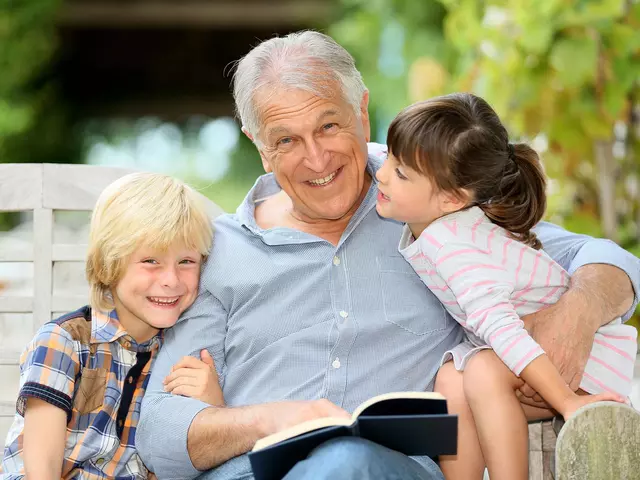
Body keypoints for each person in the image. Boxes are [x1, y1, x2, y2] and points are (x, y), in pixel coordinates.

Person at [135, 31, 640, 480]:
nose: (316, 158)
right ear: (259, 146)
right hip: (252, 469)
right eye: (286, 140)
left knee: (346, 463)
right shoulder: (216, 252)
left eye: (329, 126)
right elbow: (159, 436)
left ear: (362, 109)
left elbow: (607, 260)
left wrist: (575, 314)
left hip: (391, 468)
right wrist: (276, 418)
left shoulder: (432, 206)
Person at [375, 93, 638, 480]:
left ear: (452, 199)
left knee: (480, 370)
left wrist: (566, 402)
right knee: (450, 376)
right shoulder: (444, 228)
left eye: (401, 173)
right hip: (529, 356)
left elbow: (502, 330)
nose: (381, 174)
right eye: (389, 159)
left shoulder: (453, 247)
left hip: (580, 364)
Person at [1, 173, 214, 479]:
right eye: (151, 261)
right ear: (109, 264)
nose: (171, 279)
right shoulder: (64, 342)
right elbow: (41, 470)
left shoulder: (180, 351)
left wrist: (211, 403)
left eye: (186, 262)